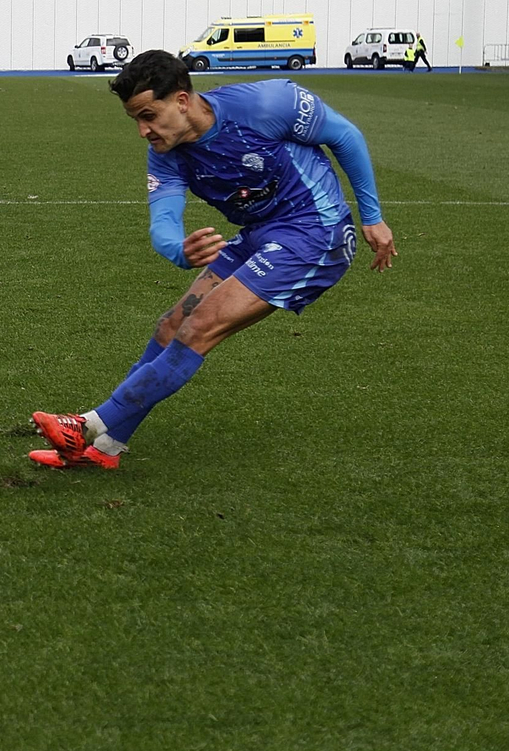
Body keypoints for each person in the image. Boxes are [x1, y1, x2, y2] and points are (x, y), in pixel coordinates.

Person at [28, 50, 396, 470]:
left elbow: (345, 136)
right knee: (171, 325)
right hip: (261, 235)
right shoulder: (165, 153)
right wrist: (177, 249)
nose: (142, 130)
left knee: (201, 325)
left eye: (149, 115)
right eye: (135, 119)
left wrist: (373, 217)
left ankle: (88, 426)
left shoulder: (267, 103)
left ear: (182, 100)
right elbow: (163, 220)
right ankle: (106, 450)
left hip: (317, 232)